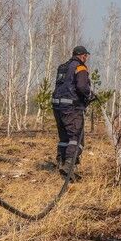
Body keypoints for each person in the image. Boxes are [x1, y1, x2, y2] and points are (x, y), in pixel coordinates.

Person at [51, 46, 95, 178]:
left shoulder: (62, 67)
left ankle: (61, 162)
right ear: (82, 55)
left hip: (57, 106)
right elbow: (82, 86)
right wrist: (89, 95)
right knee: (76, 138)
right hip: (71, 108)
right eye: (85, 56)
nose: (86, 58)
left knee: (64, 138)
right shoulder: (80, 67)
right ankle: (69, 166)